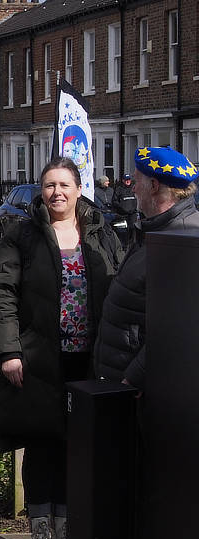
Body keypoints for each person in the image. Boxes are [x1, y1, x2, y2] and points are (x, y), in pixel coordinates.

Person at [0, 157, 122, 539]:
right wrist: (9, 351)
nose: (56, 192)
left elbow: (119, 289)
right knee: (42, 445)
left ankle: (66, 528)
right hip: (39, 358)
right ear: (41, 191)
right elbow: (2, 294)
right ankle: (40, 531)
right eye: (49, 185)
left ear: (79, 189)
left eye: (64, 184)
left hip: (89, 359)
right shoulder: (21, 235)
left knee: (75, 445)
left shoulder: (99, 233)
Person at [95, 147, 199, 388]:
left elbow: (180, 324)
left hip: (146, 390)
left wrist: (136, 374)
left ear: (153, 186)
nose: (132, 188)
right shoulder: (154, 229)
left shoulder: (183, 240)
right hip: (123, 380)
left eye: (136, 180)